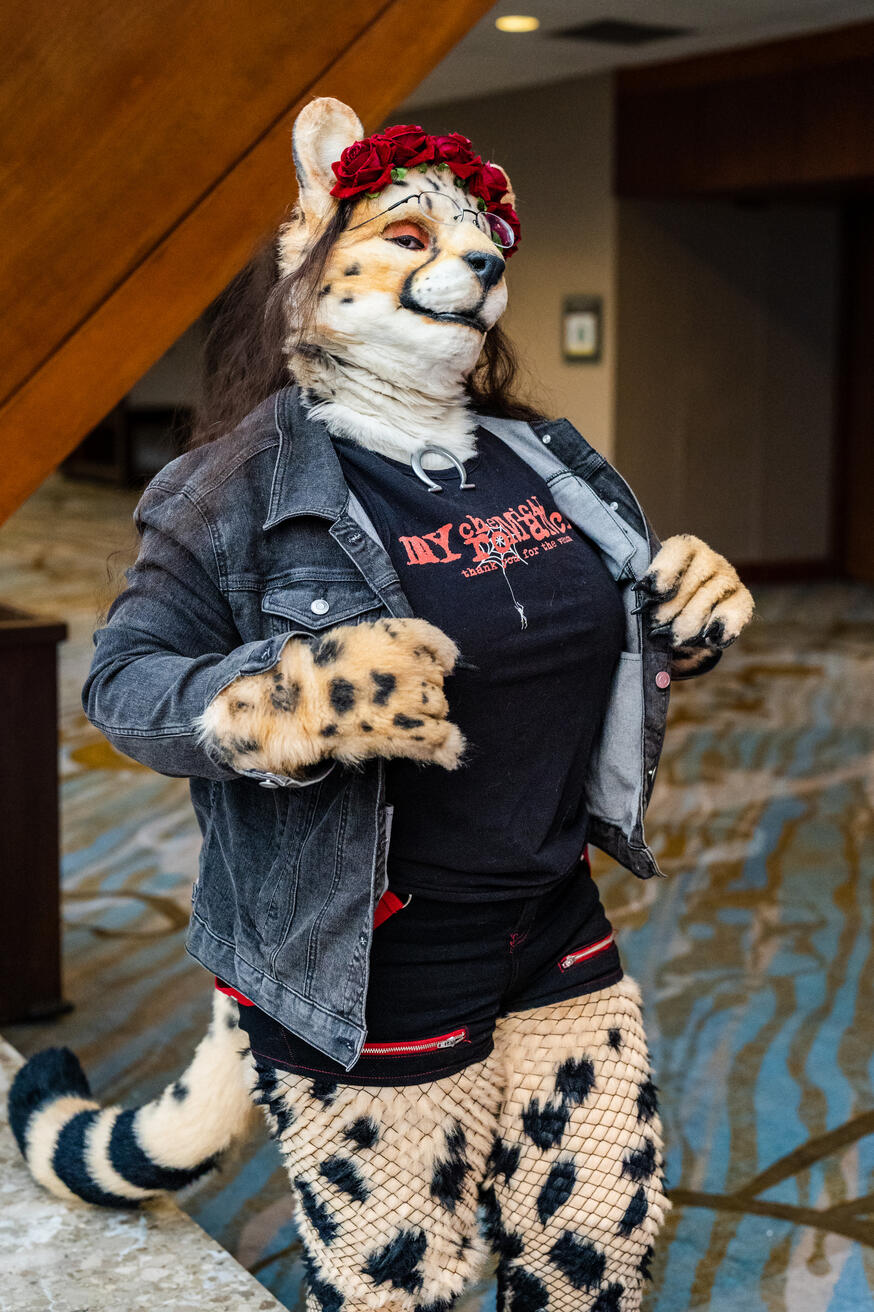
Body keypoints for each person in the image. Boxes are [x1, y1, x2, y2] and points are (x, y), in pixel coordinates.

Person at [10, 98, 754, 1312]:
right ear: (316, 247)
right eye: (407, 233)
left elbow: (583, 629)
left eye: (473, 245)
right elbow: (123, 684)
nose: (461, 258)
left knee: (599, 1257)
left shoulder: (542, 455)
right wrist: (281, 705)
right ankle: (102, 1145)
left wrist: (684, 607)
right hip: (363, 954)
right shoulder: (234, 483)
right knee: (398, 1289)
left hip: (550, 913)